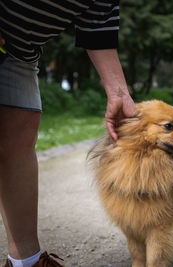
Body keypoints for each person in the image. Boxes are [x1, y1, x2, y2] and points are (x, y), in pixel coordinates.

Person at [0, 1, 136, 266]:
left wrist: (118, 92)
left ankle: (26, 262)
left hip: (20, 52)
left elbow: (98, 21)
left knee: (20, 137)